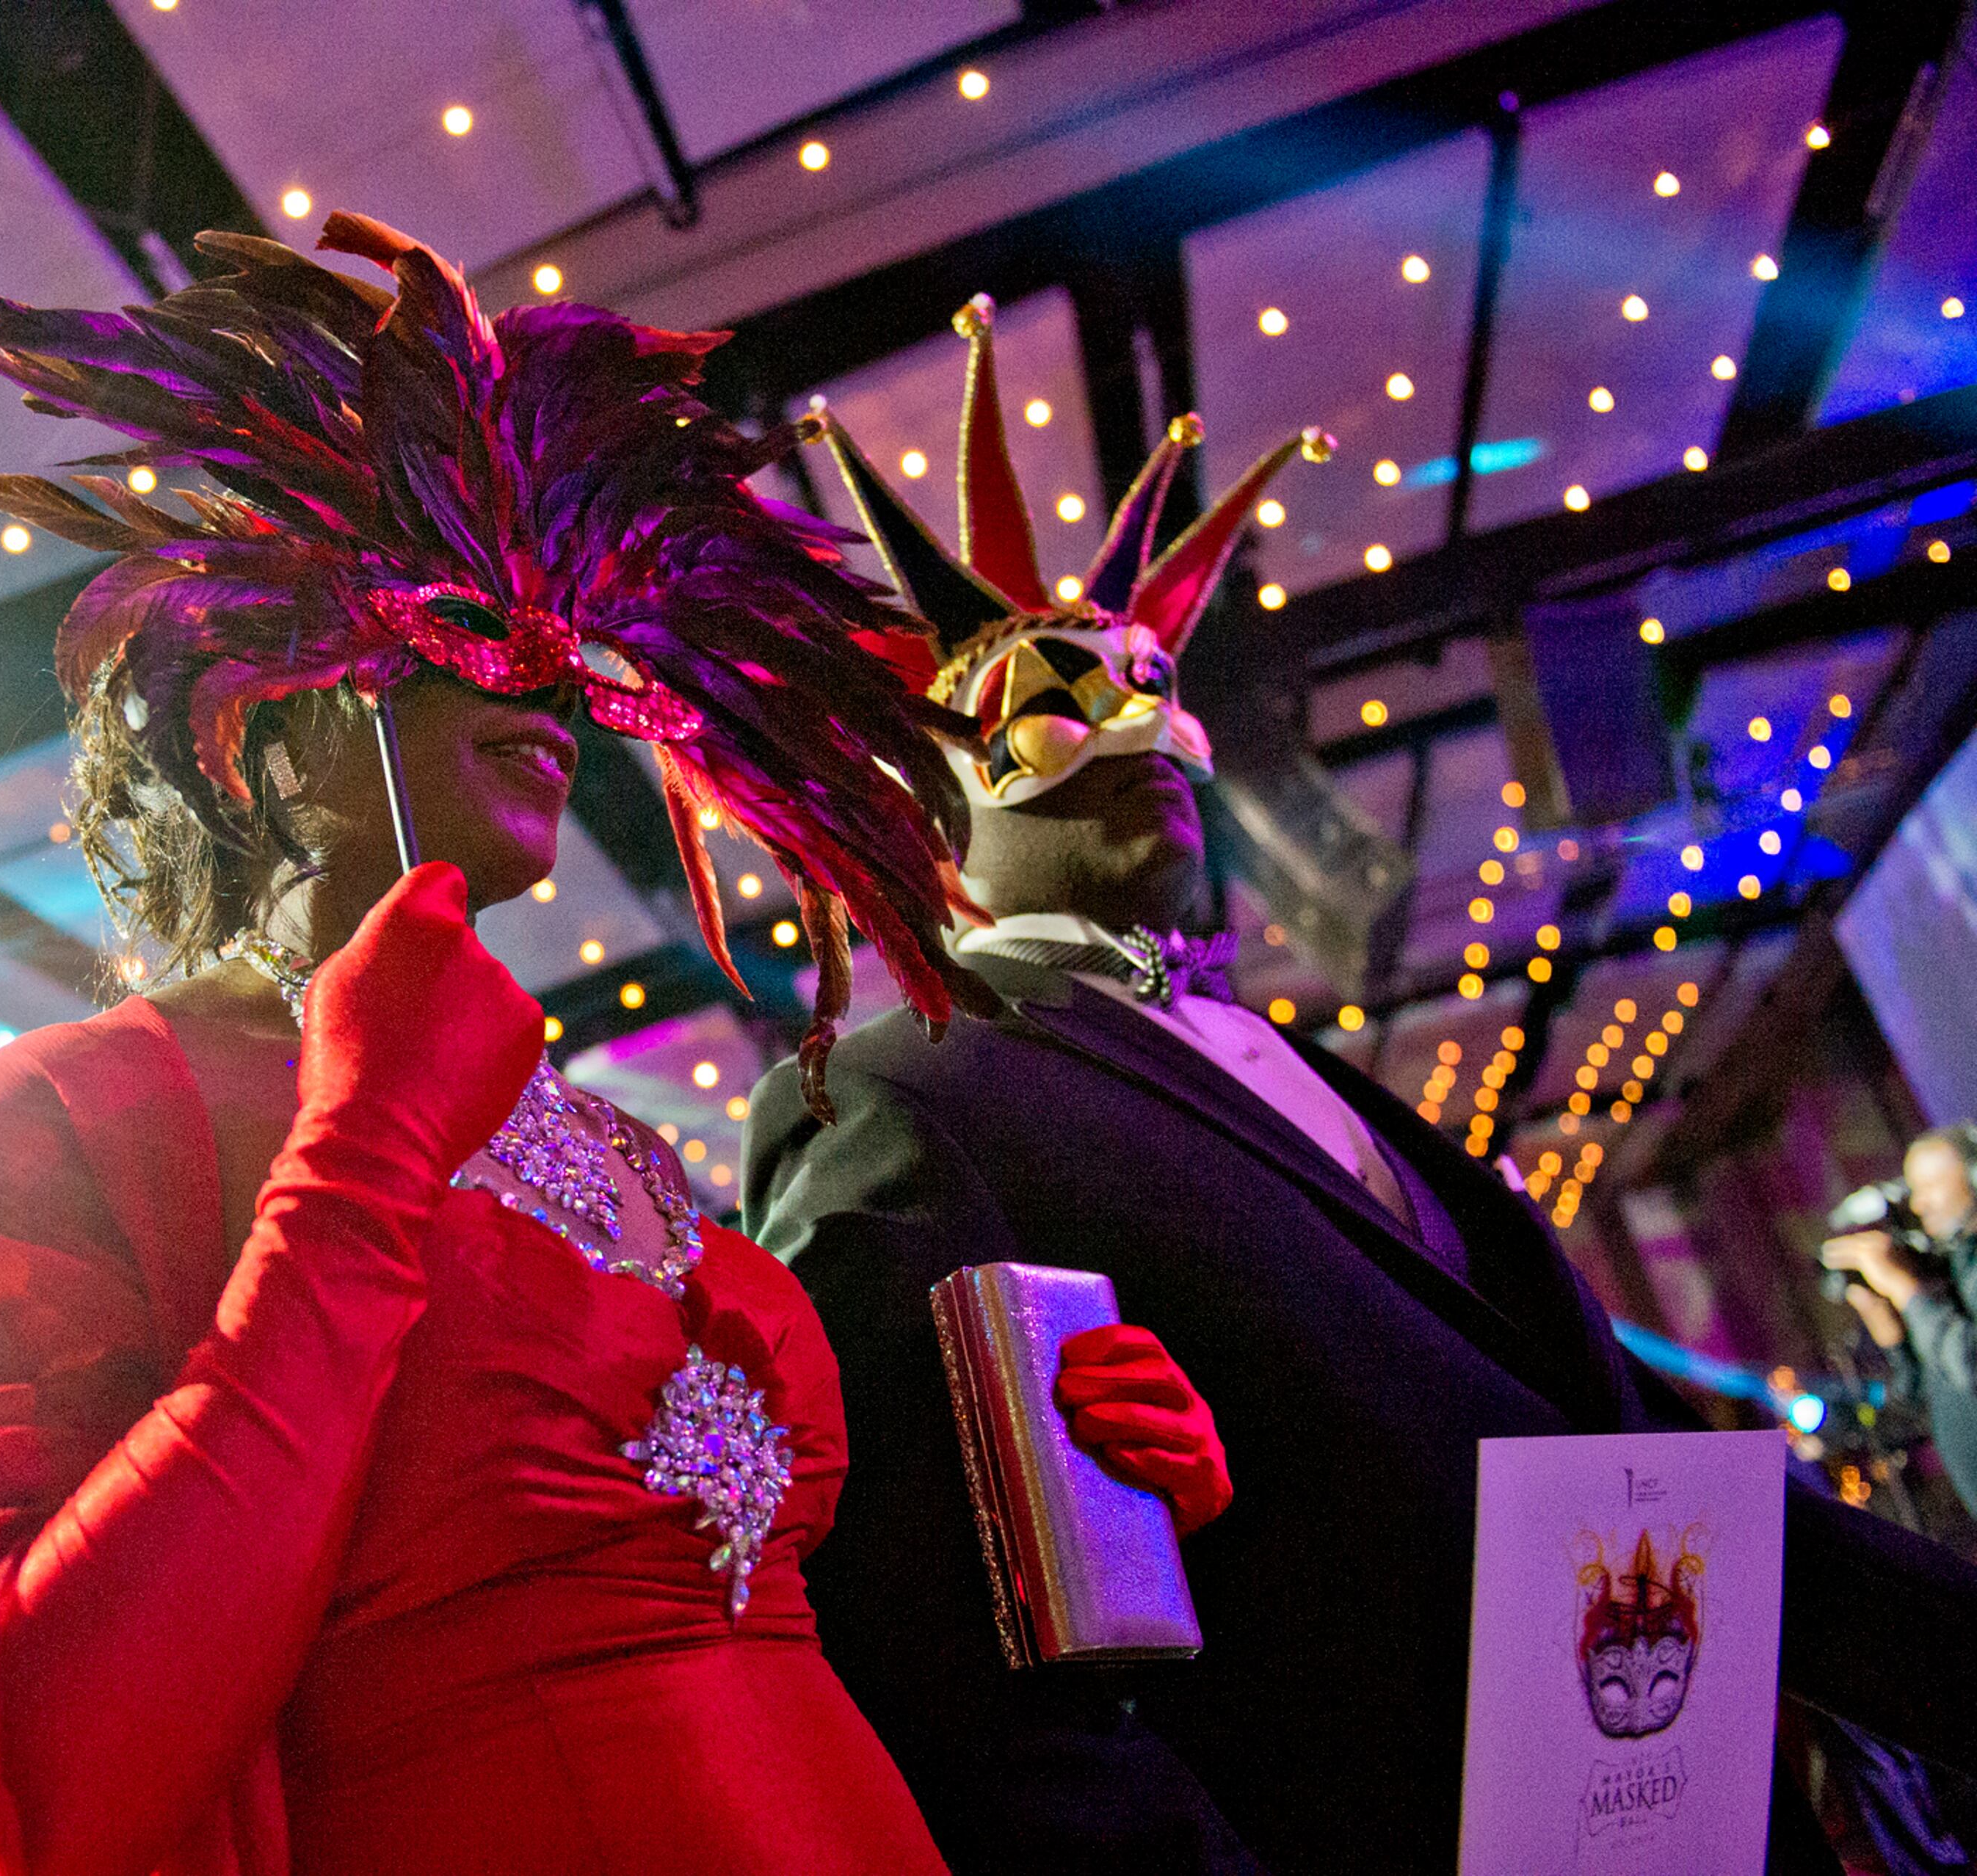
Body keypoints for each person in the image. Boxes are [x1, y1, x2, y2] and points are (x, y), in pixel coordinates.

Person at [0, 212, 1227, 1876]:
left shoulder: (618, 1146)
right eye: (463, 632)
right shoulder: (78, 1118)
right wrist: (355, 1162)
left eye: (572, 654)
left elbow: (735, 1608)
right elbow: (19, 1769)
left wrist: (1054, 1495)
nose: (553, 694)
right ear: (268, 735)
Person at [744, 297, 1977, 1874]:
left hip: (1698, 1809)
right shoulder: (898, 1088)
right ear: (934, 802)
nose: (1138, 725)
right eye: (1051, 706)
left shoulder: (1312, 1080)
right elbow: (948, 1640)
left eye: (1149, 683)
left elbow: (1663, 1479)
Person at [1825, 1123, 1977, 1520]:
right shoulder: (1956, 1267)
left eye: (1929, 1187)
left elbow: (1972, 1364)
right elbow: (1927, 1397)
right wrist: (1888, 1325)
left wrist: (1906, 1290)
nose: (1920, 1205)